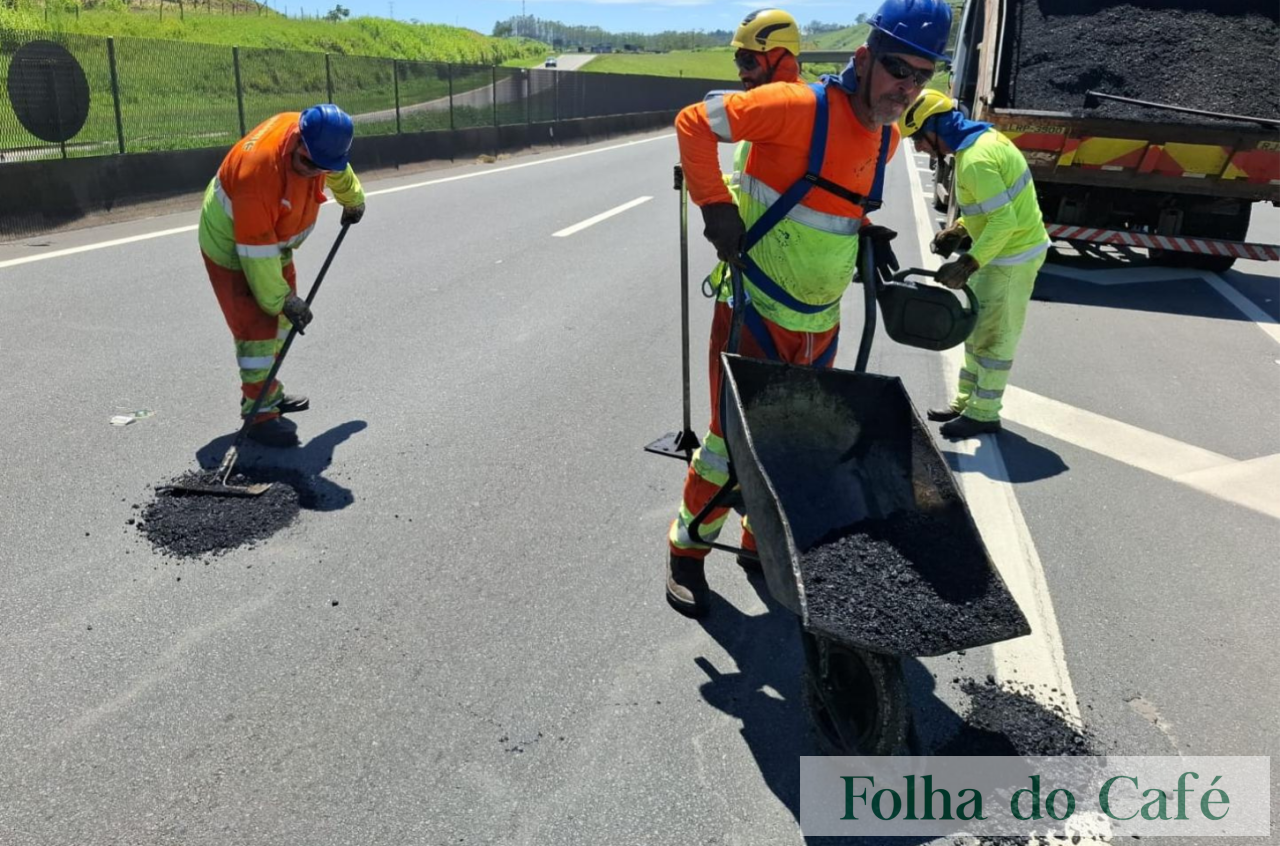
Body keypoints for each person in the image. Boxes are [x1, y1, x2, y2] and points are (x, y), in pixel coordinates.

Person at [665, 0, 954, 617]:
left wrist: (863, 230)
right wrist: (714, 203)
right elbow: (693, 121)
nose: (907, 87)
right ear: (864, 57)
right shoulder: (793, 106)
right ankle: (687, 551)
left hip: (821, 322)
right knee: (727, 445)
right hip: (756, 311)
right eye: (898, 68)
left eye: (921, 76)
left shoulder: (887, 135)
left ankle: (758, 545)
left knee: (793, 444)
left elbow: (835, 202)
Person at [198, 104, 366, 448]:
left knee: (282, 322)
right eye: (309, 165)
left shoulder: (319, 142)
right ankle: (258, 415)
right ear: (297, 143)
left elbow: (335, 167)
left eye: (322, 167)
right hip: (233, 245)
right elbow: (255, 251)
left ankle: (268, 393)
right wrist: (284, 299)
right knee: (259, 328)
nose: (314, 172)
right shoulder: (257, 174)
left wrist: (352, 198)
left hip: (270, 240)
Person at [899, 89, 1050, 438]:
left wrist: (967, 264)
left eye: (919, 139)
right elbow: (990, 210)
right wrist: (959, 229)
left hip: (1013, 256)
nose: (920, 148)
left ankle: (984, 414)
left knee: (996, 337)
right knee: (976, 329)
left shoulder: (977, 161)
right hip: (997, 251)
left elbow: (1004, 222)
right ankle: (966, 401)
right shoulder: (978, 145)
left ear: (936, 128)